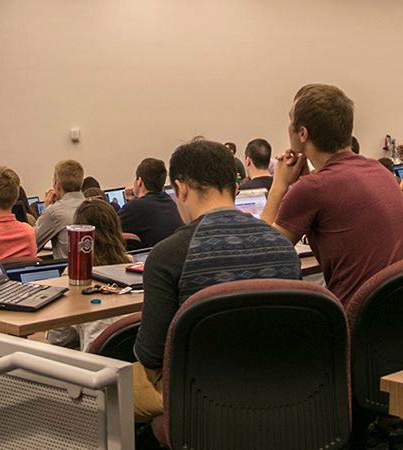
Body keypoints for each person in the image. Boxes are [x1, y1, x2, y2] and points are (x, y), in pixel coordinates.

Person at [133, 138, 302, 423]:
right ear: (235, 188)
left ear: (181, 189)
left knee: (117, 385)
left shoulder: (167, 256)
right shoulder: (283, 247)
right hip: (284, 393)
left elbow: (151, 355)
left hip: (201, 404)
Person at [261, 83, 403, 305]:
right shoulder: (380, 171)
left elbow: (262, 256)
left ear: (303, 133)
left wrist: (279, 186)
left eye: (290, 119)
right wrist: (303, 182)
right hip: (400, 319)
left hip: (354, 321)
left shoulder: (314, 188)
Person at [46, 199, 132, 351]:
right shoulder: (132, 266)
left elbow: (58, 338)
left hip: (95, 363)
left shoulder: (74, 275)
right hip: (135, 362)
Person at [117, 158, 183, 248]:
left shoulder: (134, 208)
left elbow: (107, 231)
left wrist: (132, 203)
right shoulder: (172, 203)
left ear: (139, 181)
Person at [34, 159, 86, 259]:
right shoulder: (98, 207)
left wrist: (47, 209)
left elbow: (32, 245)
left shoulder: (54, 212)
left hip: (68, 271)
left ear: (57, 185)